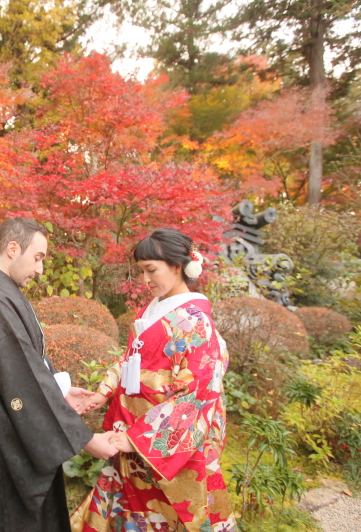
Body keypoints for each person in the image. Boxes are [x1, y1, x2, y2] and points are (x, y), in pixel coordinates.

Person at [0, 217, 119, 532]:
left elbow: (25, 364)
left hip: (0, 434)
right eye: (38, 257)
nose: (40, 269)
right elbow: (22, 381)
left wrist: (60, 390)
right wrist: (85, 440)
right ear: (13, 248)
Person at [71, 228, 239, 532]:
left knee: (167, 515)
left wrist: (138, 438)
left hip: (162, 443)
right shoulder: (154, 308)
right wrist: (103, 392)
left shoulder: (197, 322)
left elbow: (197, 394)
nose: (146, 280)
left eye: (151, 270)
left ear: (177, 267)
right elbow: (131, 360)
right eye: (142, 272)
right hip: (131, 432)